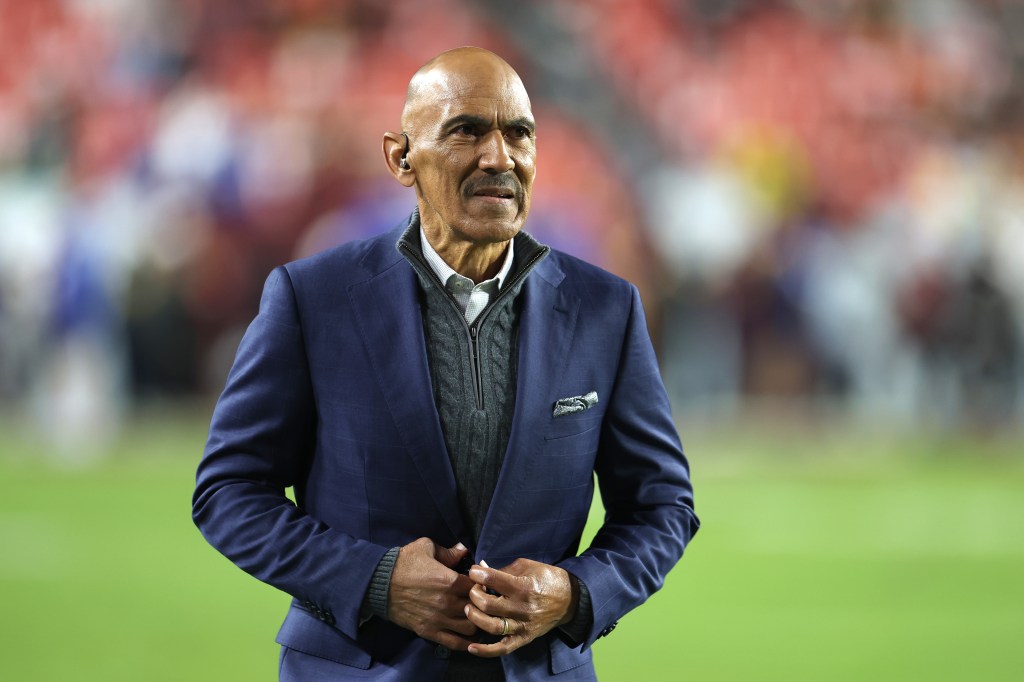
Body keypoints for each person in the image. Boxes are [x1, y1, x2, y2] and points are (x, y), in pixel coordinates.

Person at [192, 46, 698, 681]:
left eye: (519, 134)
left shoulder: (606, 309)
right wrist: (375, 581)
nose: (499, 158)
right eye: (466, 131)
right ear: (400, 158)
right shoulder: (312, 298)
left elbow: (664, 506)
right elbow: (228, 491)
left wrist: (576, 594)